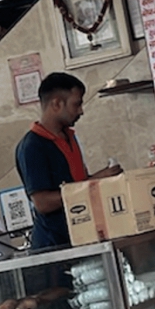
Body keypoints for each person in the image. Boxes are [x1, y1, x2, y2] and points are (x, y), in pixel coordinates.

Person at [17, 72, 122, 250]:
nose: (81, 110)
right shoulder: (32, 146)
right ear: (57, 104)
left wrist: (103, 178)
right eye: (77, 104)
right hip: (55, 246)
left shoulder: (69, 137)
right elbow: (43, 203)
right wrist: (95, 183)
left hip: (82, 235)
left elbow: (76, 184)